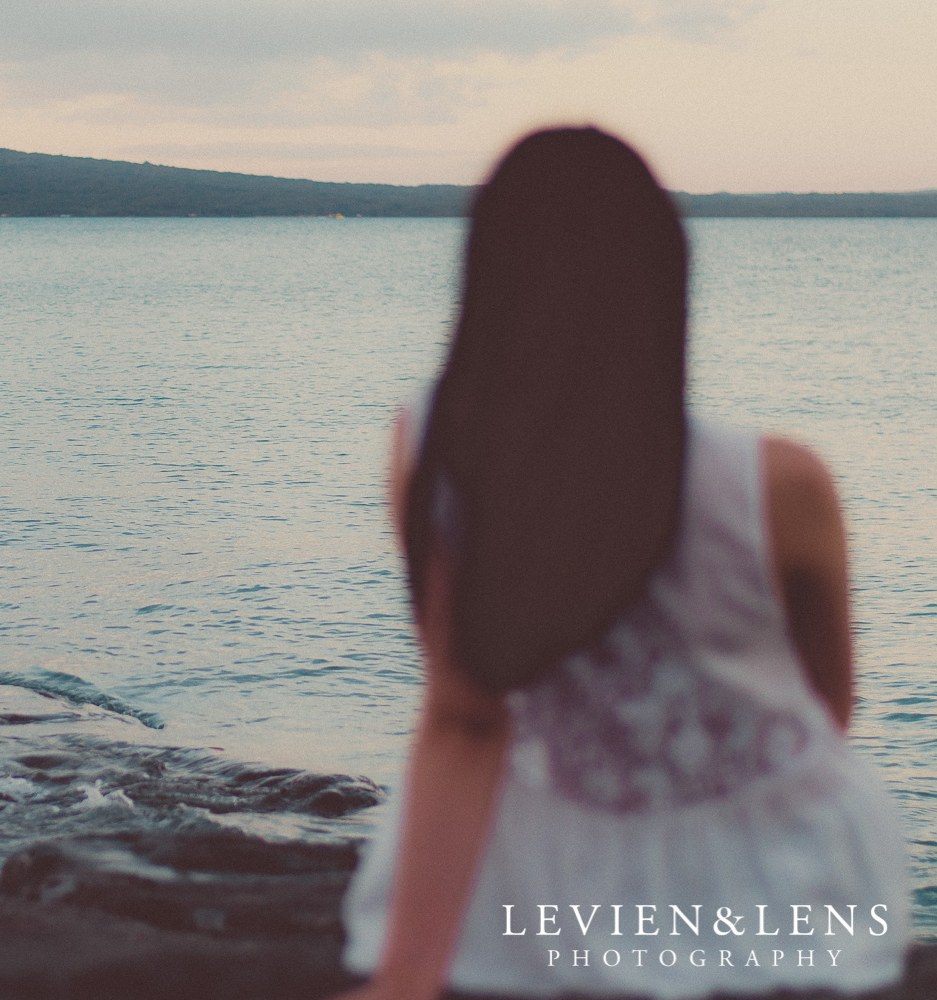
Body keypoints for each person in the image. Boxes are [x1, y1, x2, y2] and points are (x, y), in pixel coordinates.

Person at [336, 127, 911, 1000]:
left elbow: (465, 716)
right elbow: (829, 708)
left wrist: (407, 976)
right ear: (667, 288)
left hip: (545, 873)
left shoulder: (436, 460)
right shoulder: (779, 485)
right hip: (782, 877)